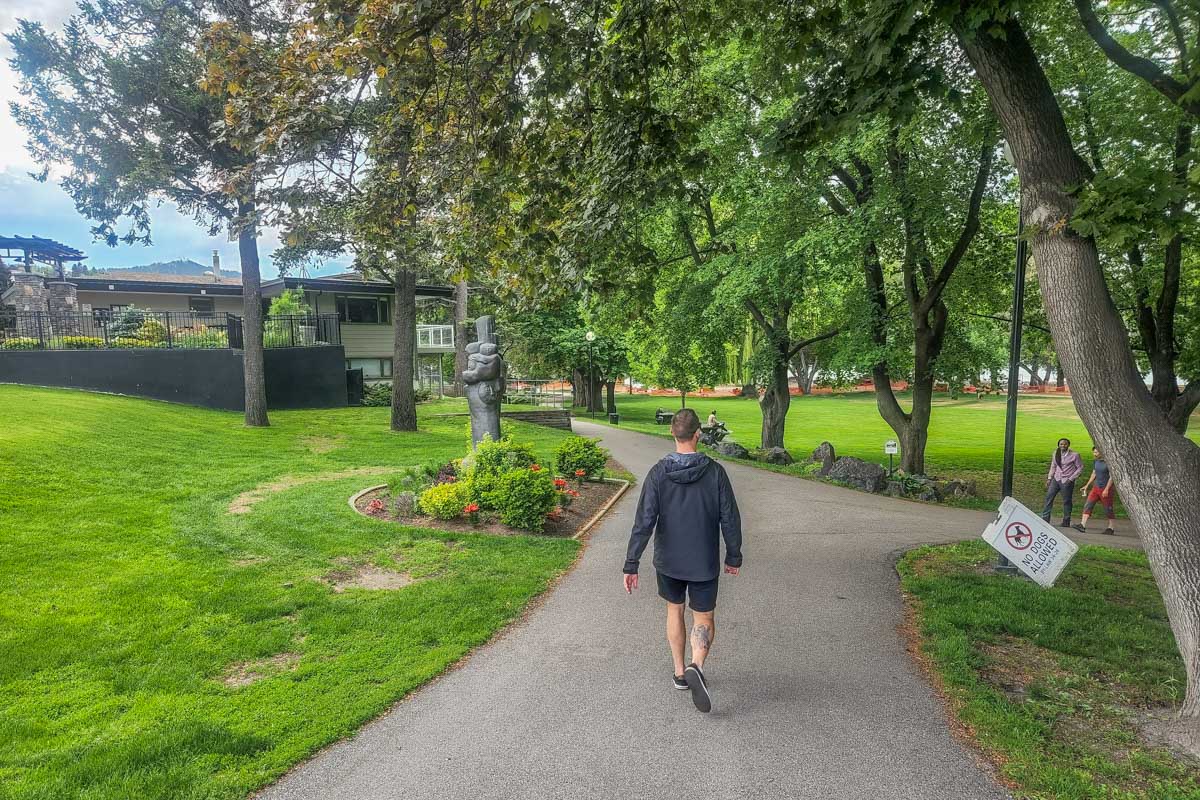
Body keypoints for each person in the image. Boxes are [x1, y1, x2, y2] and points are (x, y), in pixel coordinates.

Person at [623, 407, 742, 713]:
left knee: (674, 611)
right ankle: (697, 665)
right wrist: (734, 554)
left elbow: (644, 520)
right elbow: (730, 518)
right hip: (703, 560)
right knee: (703, 618)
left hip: (669, 560)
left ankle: (679, 672)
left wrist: (631, 562)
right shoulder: (715, 472)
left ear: (671, 433)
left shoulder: (658, 473)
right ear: (698, 434)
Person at [1075, 447, 1117, 535]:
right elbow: (1094, 473)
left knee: (1108, 508)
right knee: (1088, 505)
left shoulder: (1109, 463)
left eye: (1096, 452)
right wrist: (1087, 485)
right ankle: (1082, 525)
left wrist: (1106, 489)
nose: (1094, 454)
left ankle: (1111, 527)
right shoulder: (1096, 461)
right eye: (1094, 452)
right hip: (1096, 488)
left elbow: (1111, 477)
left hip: (1105, 489)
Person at [1043, 437, 1083, 527]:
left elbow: (1080, 468)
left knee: (1066, 501)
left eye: (1065, 444)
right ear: (1058, 445)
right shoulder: (1055, 453)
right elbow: (1053, 466)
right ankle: (1045, 518)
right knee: (1049, 497)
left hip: (1067, 480)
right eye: (1061, 444)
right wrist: (1049, 478)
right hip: (1056, 479)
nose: (1063, 446)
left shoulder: (1075, 455)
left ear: (1068, 445)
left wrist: (1071, 479)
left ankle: (1066, 521)